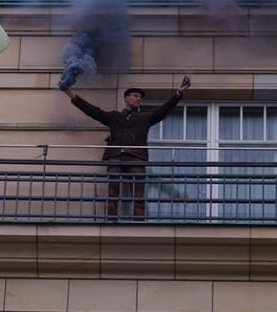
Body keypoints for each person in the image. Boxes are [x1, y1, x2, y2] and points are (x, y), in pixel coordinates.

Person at [65, 75, 190, 218]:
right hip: (115, 156)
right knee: (113, 189)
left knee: (138, 191)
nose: (138, 99)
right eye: (135, 96)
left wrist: (179, 92)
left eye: (140, 97)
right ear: (126, 98)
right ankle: (110, 218)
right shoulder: (114, 116)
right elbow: (91, 110)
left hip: (136, 157)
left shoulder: (145, 118)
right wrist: (69, 92)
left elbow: (163, 111)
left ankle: (138, 219)